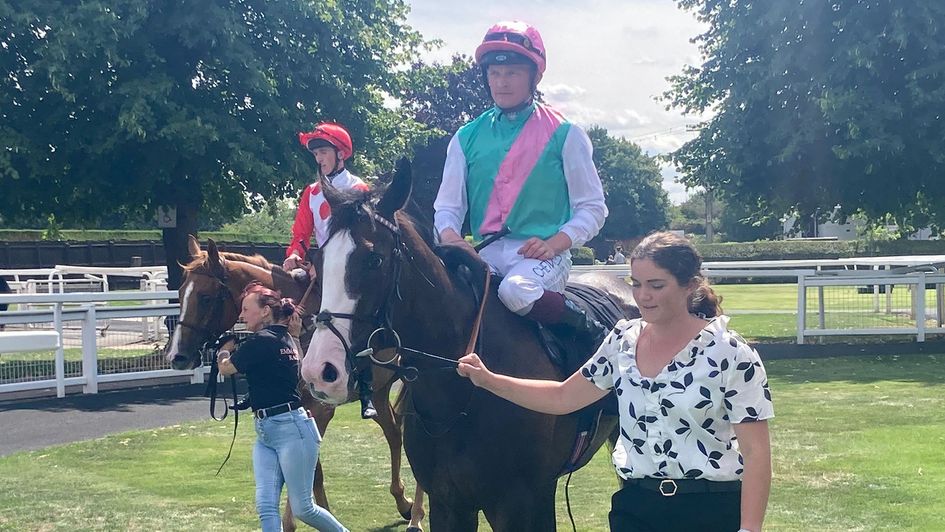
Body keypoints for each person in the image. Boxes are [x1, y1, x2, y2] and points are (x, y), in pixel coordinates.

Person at [456, 231, 773, 532]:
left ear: (689, 286)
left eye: (656, 285)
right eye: (636, 284)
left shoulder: (731, 354)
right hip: (635, 508)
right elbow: (563, 397)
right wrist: (489, 380)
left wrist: (749, 528)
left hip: (710, 510)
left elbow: (757, 454)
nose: (643, 296)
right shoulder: (623, 340)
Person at [433, 20, 609, 342]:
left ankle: (589, 333)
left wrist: (553, 243)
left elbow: (593, 208)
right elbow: (447, 207)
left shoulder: (566, 134)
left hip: (542, 256)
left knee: (516, 292)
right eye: (494, 73)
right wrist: (451, 237)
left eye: (512, 72)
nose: (501, 82)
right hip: (484, 252)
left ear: (535, 75)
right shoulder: (464, 137)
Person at [217, 283, 349, 532]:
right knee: (266, 505)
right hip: (272, 430)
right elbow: (299, 371)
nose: (241, 315)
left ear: (266, 311)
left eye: (246, 309)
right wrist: (298, 337)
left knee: (303, 508)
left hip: (289, 430)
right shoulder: (286, 338)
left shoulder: (260, 341)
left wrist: (223, 350)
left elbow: (226, 369)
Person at [284, 121, 375, 418]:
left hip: (350, 269)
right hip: (320, 267)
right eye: (317, 154)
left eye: (324, 152)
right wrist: (295, 255)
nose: (320, 159)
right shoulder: (310, 192)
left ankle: (368, 390)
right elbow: (300, 234)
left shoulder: (359, 188)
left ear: (341, 154)